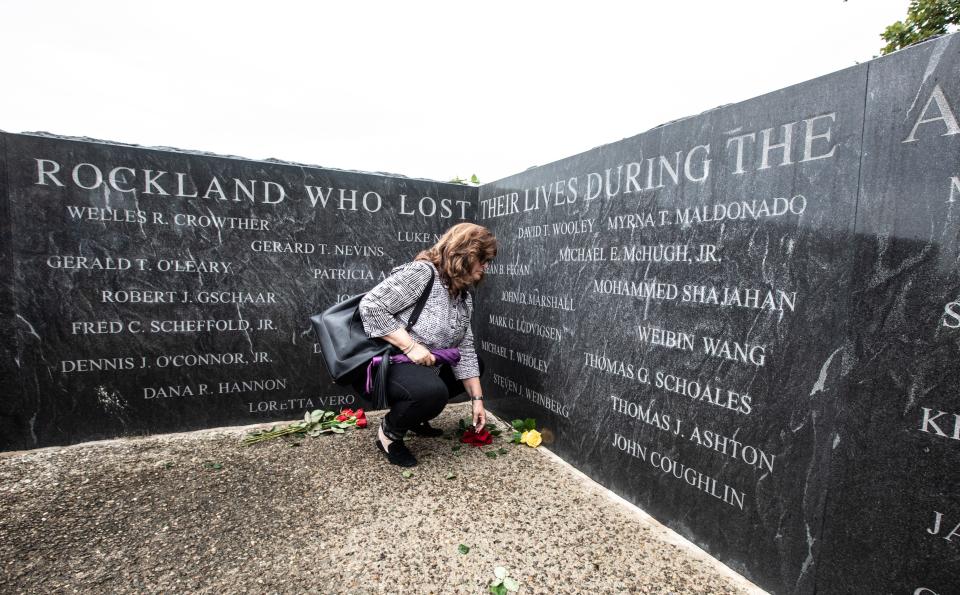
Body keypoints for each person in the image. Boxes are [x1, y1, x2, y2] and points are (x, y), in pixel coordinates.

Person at [358, 222, 497, 467]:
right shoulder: (423, 273)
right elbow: (371, 306)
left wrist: (477, 400)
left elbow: (464, 348)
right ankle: (389, 434)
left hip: (423, 367)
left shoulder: (463, 295)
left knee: (476, 366)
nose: (486, 266)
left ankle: (415, 417)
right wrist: (410, 346)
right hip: (388, 364)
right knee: (432, 392)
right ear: (465, 254)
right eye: (483, 259)